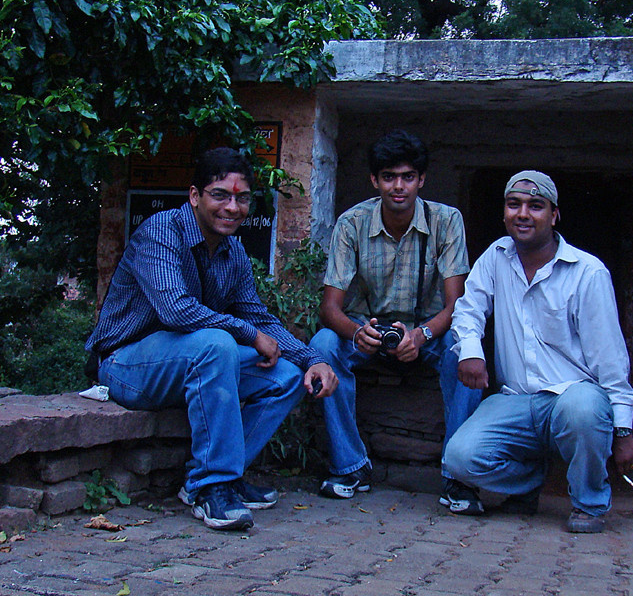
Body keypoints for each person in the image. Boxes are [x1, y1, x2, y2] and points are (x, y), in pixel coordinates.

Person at [85, 147, 338, 531]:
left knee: (285, 376)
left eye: (241, 198)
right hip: (125, 365)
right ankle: (212, 486)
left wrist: (311, 359)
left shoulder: (233, 250)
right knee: (217, 344)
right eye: (220, 194)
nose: (232, 207)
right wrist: (249, 335)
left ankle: (222, 476)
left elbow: (256, 315)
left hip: (191, 362)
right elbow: (177, 310)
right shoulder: (160, 232)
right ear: (194, 196)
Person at [443, 170, 633, 532]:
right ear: (503, 212)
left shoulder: (587, 272)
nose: (523, 214)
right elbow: (468, 309)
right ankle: (529, 482)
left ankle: (588, 503)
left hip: (572, 398)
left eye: (536, 206)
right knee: (459, 458)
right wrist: (471, 349)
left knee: (582, 407)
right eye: (514, 204)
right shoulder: (495, 257)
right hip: (515, 400)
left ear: (554, 215)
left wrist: (624, 432)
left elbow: (610, 359)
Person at [309, 130, 484, 514]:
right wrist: (358, 332)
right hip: (367, 330)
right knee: (322, 345)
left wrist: (420, 335)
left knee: (466, 345)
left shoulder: (446, 220)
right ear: (375, 180)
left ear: (422, 179)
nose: (398, 186)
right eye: (388, 177)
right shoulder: (352, 222)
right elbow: (330, 307)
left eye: (407, 177)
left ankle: (458, 474)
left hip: (428, 330)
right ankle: (349, 466)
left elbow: (458, 304)